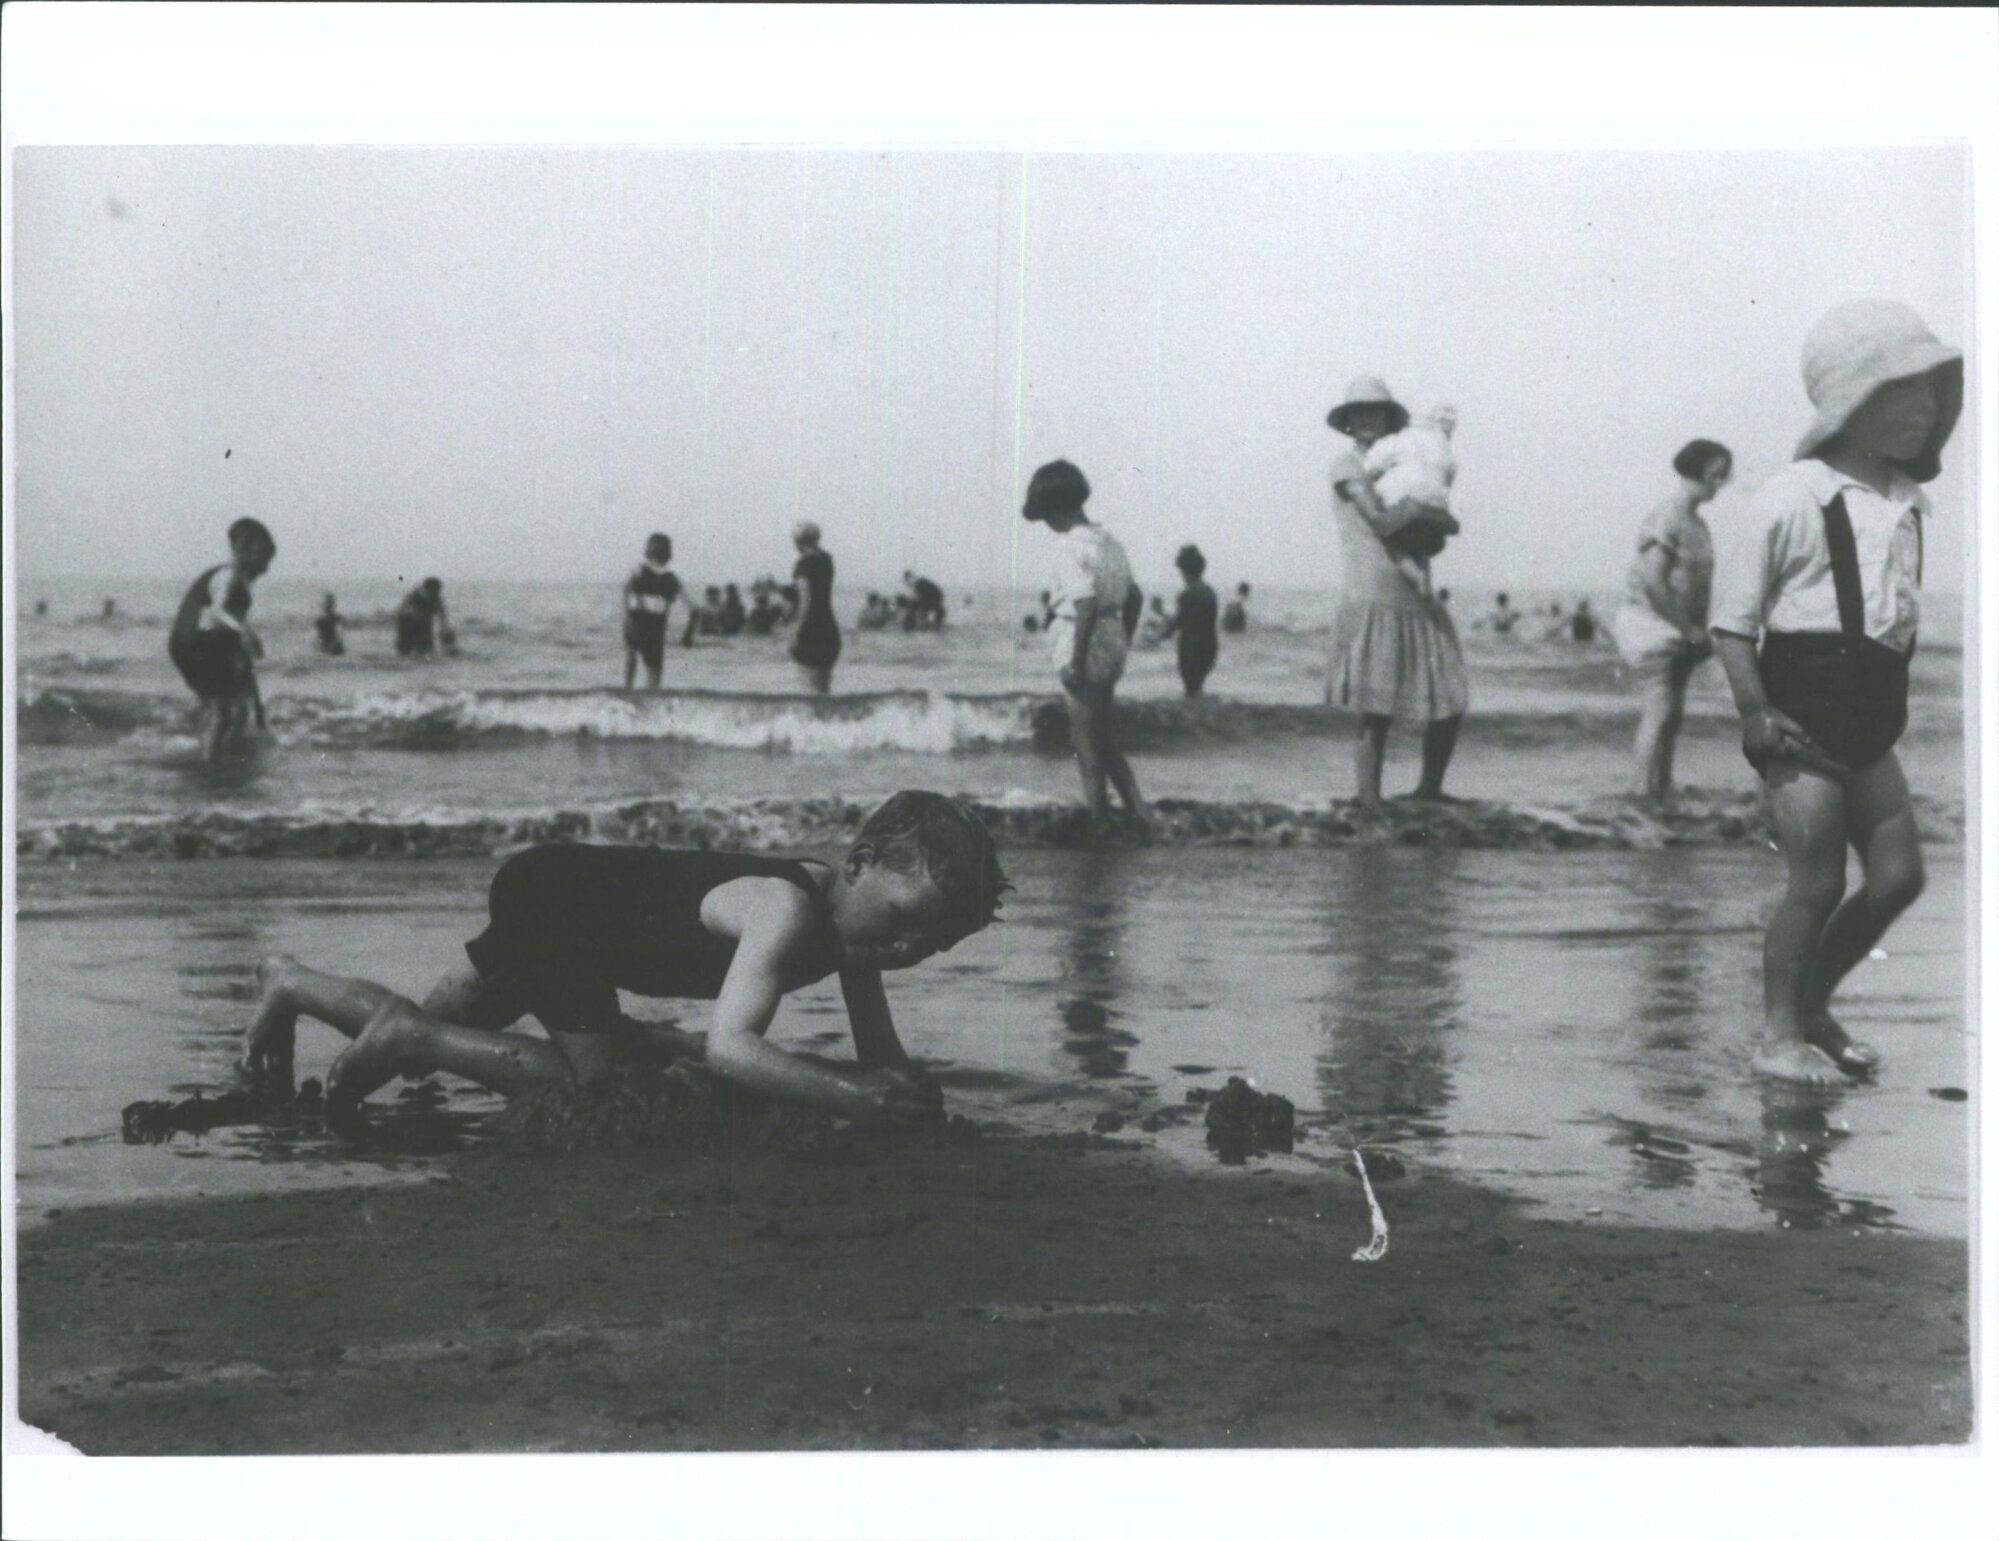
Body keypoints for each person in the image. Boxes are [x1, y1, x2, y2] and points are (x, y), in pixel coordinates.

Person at [237, 791, 1010, 1123]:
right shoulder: (783, 908)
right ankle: (415, 1039)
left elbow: (879, 1058)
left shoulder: (858, 935)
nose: (907, 948)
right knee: (603, 1084)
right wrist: (852, 1097)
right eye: (905, 921)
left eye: (932, 944)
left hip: (561, 886)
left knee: (443, 1022)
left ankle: (292, 982)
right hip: (562, 907)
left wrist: (899, 1088)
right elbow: (731, 1048)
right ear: (859, 861)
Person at [1708, 299, 1961, 1086]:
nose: (1924, 409)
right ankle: (1778, 1035)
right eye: (1902, 392)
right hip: (1799, 712)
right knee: (1816, 881)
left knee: (1897, 877)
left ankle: (1813, 1004)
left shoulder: (1907, 502)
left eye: (1933, 393)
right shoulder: (1793, 494)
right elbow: (1730, 622)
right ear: (1852, 403)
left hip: (1869, 718)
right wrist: (1754, 710)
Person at [1324, 377, 1469, 811]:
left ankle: (1429, 789)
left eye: (1376, 411)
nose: (1368, 418)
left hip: (1416, 591)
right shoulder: (1347, 465)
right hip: (1373, 590)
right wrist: (1417, 540)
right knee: (1375, 707)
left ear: (1389, 418)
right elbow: (1377, 520)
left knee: (1451, 696)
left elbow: (1429, 538)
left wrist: (1432, 530)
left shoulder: (1408, 461)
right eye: (1359, 412)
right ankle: (1370, 799)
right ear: (1348, 422)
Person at [1023, 459, 1148, 826]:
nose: (1046, 524)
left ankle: (1099, 820)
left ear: (1054, 508)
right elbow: (1135, 596)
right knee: (1103, 737)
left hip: (1083, 642)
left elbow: (1086, 603)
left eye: (1045, 515)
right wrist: (1124, 638)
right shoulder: (1110, 542)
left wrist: (1076, 662)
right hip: (1111, 638)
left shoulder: (1068, 548)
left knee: (1085, 742)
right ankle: (1138, 812)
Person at [1614, 439, 1731, 804]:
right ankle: (1640, 792)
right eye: (1714, 475)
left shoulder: (1698, 524)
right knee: (1660, 706)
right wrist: (1689, 629)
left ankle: (1661, 789)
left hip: (1679, 627)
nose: (1719, 484)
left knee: (1673, 713)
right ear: (1693, 472)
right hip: (1650, 623)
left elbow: (1697, 588)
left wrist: (1700, 632)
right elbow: (1653, 582)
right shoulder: (1667, 517)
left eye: (1723, 476)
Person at [168, 518, 276, 762]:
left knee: (238, 708)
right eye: (264, 560)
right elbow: (217, 611)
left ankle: (226, 755)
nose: (266, 569)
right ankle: (211, 764)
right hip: (196, 645)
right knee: (222, 711)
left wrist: (245, 641)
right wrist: (244, 631)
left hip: (210, 644)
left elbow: (231, 619)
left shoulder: (240, 580)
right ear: (248, 552)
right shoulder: (227, 575)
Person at [1363, 403, 1462, 591]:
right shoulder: (1443, 447)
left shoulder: (1396, 440)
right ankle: (1421, 571)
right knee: (1419, 541)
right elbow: (1449, 477)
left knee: (1388, 538)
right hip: (1437, 517)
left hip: (1409, 509)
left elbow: (1369, 471)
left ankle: (1415, 575)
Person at [1159, 543, 1220, 698]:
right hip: (1210, 647)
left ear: (1185, 571)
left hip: (1190, 648)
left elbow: (1177, 622)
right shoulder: (1210, 593)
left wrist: (1160, 632)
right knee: (1197, 684)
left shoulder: (1186, 595)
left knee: (1190, 687)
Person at [622, 533, 682, 689]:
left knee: (633, 656)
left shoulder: (639, 571)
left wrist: (627, 616)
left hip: (639, 618)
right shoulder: (670, 578)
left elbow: (627, 592)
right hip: (654, 621)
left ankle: (628, 689)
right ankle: (650, 693)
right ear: (668, 554)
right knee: (654, 665)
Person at [790, 522, 842, 693]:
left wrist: (795, 632)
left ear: (799, 542)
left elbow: (806, 601)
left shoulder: (803, 565)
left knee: (810, 693)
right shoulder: (827, 560)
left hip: (810, 634)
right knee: (823, 692)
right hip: (830, 632)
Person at [396, 578, 450, 659]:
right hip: (408, 625)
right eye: (433, 591)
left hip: (425, 625)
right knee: (405, 651)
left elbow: (442, 616)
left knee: (426, 651)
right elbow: (403, 612)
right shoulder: (414, 597)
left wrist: (444, 630)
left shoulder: (436, 599)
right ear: (426, 589)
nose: (435, 593)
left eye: (436, 591)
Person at [314, 593, 346, 657]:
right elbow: (318, 636)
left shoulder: (337, 619)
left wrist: (330, 647)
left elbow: (339, 635)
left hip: (335, 649)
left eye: (329, 603)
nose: (326, 606)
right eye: (325, 603)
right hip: (324, 647)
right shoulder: (319, 620)